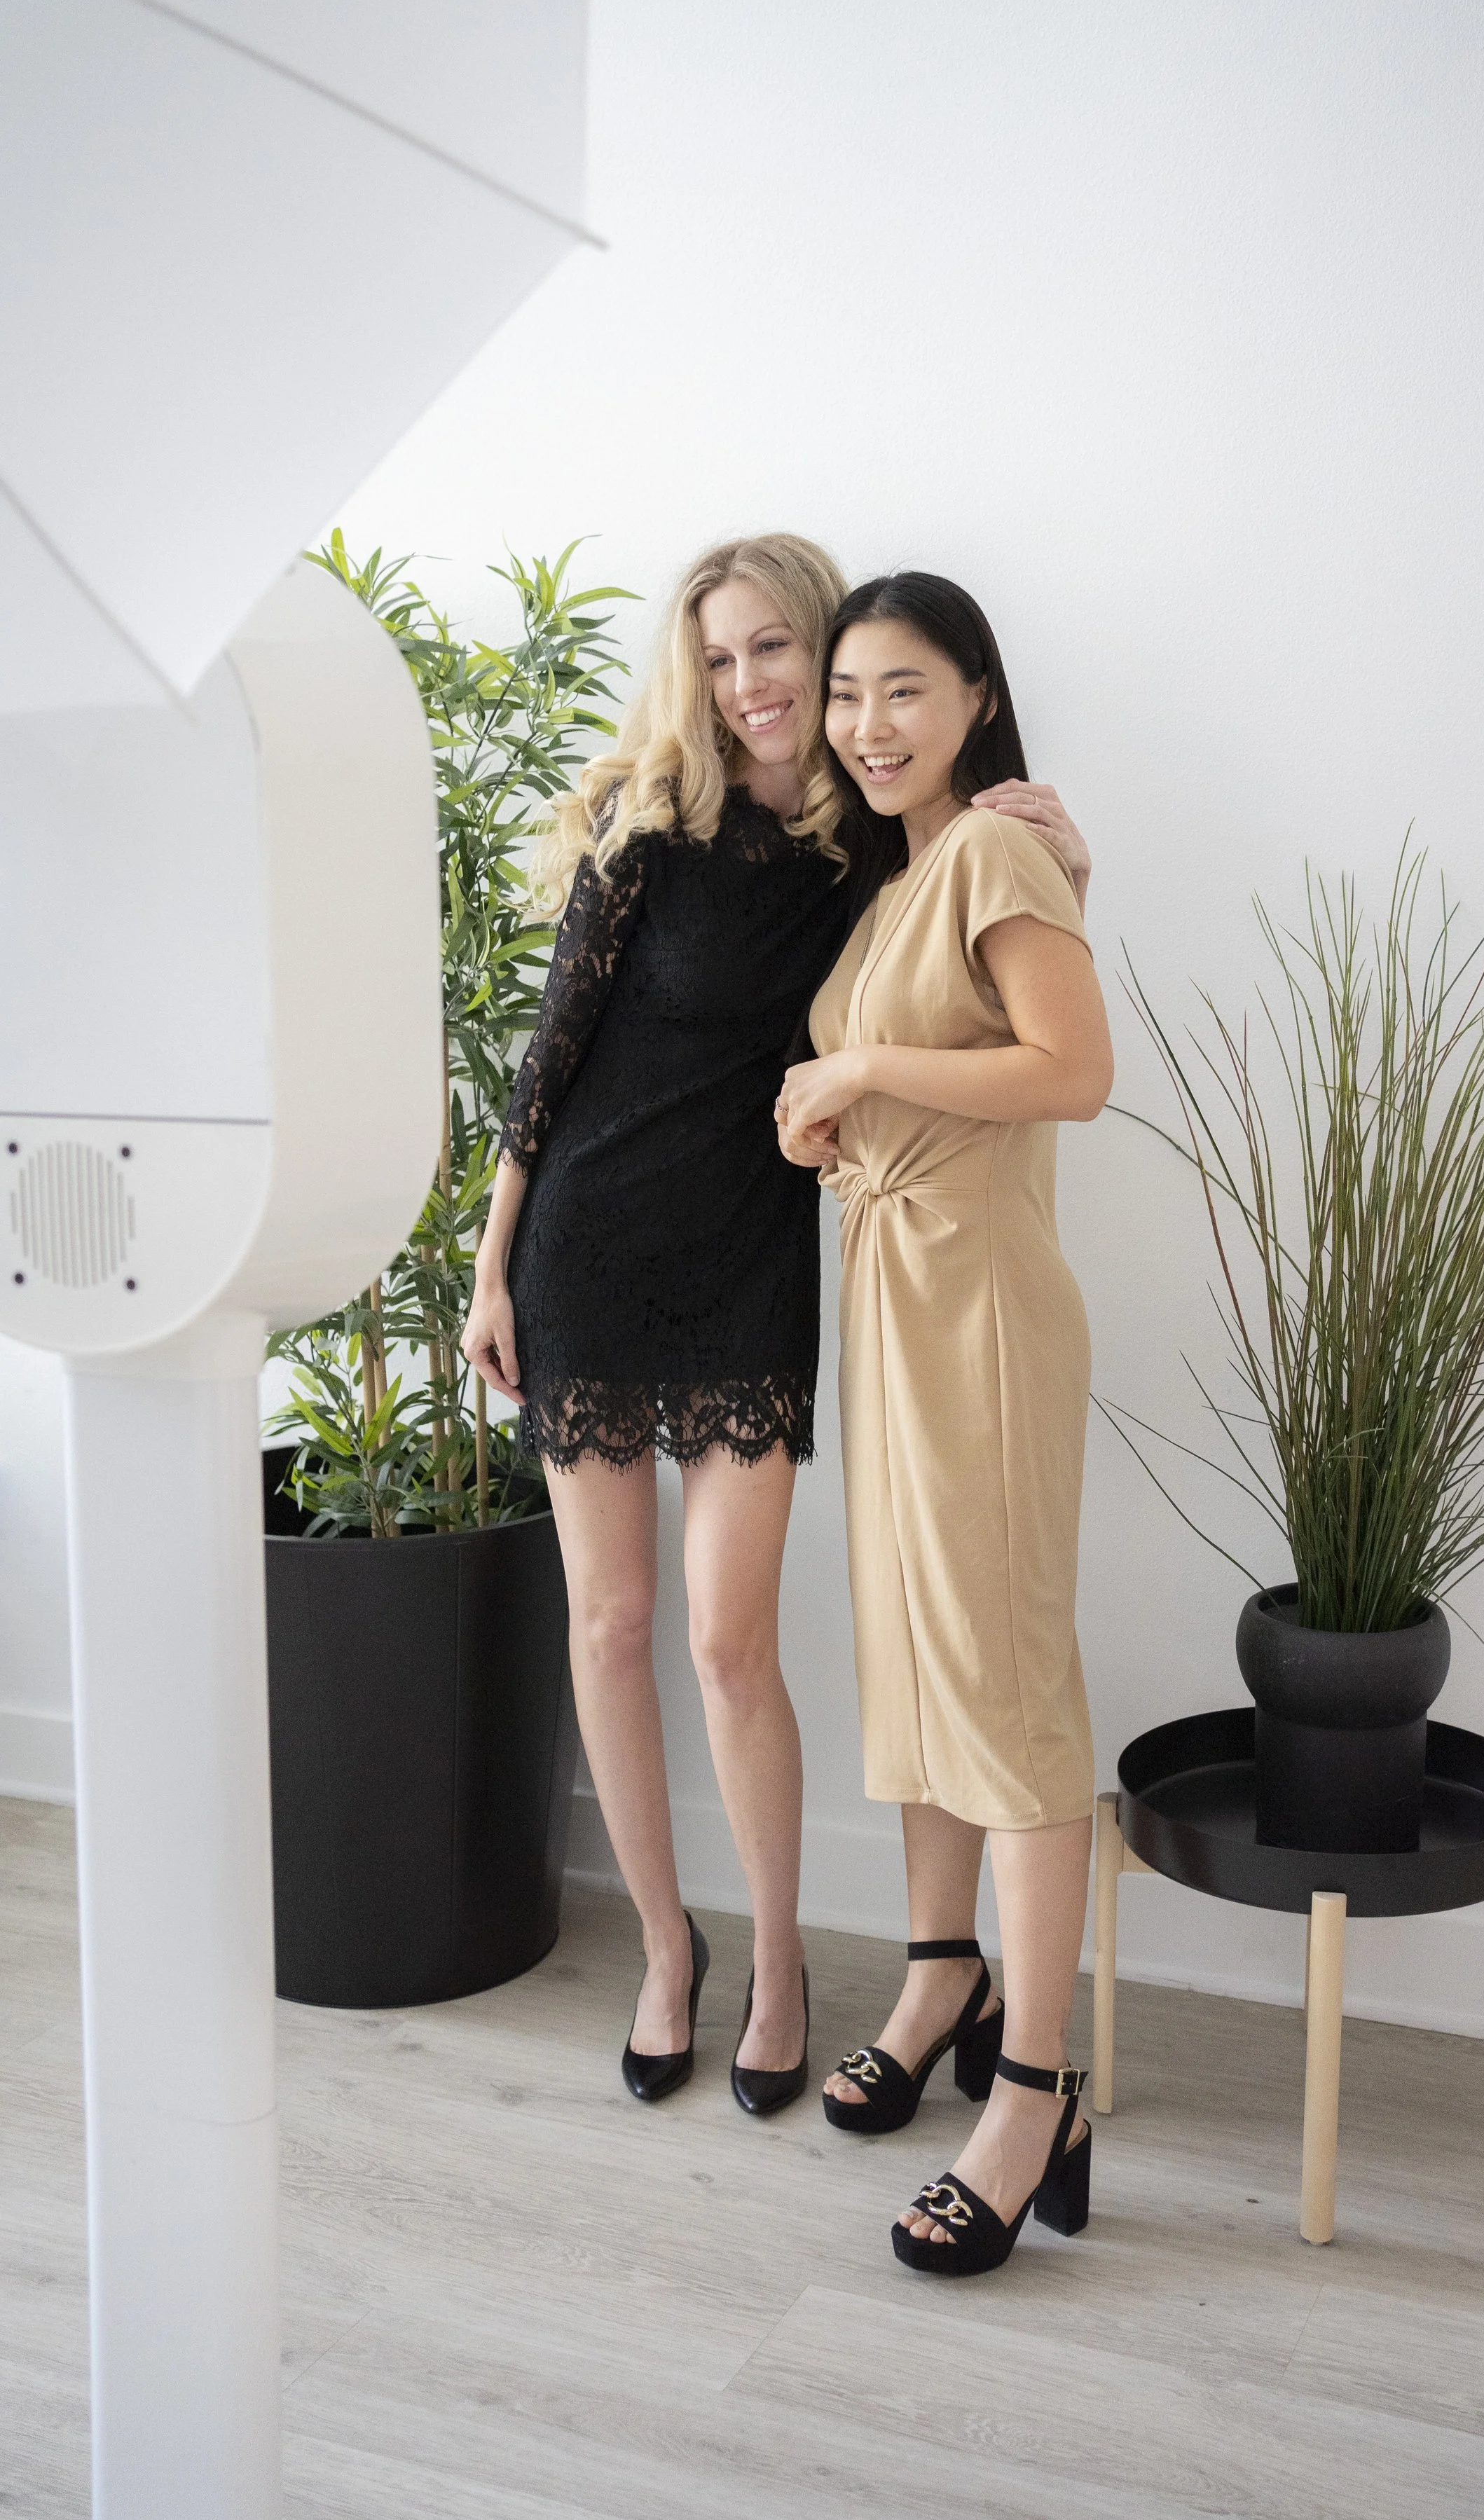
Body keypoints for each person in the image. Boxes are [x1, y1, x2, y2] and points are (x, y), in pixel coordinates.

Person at [462, 535, 1090, 2116]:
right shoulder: (646, 827)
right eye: (721, 655)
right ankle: (667, 1952)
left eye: (778, 655)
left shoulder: (869, 846)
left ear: (831, 665)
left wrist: (1071, 868)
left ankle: (786, 1960)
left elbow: (975, 967)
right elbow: (549, 1065)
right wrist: (488, 1271)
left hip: (753, 1264)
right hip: (588, 1254)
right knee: (608, 1625)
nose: (753, 687)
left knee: (728, 1642)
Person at [777, 573, 1113, 2273]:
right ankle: (937, 1982)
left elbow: (1074, 1070)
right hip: (894, 1296)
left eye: (901, 689)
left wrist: (860, 1080)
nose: (865, 724)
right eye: (846, 693)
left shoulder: (988, 851)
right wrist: (833, 1110)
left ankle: (1038, 2086)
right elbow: (924, 1063)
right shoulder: (895, 886)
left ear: (974, 696)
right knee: (913, 1657)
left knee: (1005, 1688)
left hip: (977, 1311)